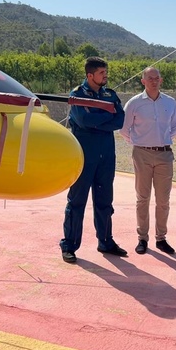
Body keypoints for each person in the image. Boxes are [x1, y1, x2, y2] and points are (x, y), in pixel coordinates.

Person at [60, 56, 126, 264]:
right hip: (84, 153)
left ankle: (105, 241)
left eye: (106, 73)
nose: (105, 76)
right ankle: (69, 245)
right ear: (90, 75)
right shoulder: (77, 95)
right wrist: (107, 116)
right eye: (101, 73)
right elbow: (84, 120)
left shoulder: (110, 94)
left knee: (105, 200)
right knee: (77, 200)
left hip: (106, 153)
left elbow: (120, 120)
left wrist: (99, 121)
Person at [121, 67, 176, 255]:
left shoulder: (170, 103)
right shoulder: (134, 103)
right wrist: (139, 143)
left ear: (161, 80)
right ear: (143, 81)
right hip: (142, 154)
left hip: (164, 155)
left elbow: (175, 128)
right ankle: (142, 238)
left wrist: (159, 142)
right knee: (142, 198)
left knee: (163, 200)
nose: (154, 81)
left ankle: (161, 238)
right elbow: (124, 129)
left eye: (157, 78)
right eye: (150, 78)